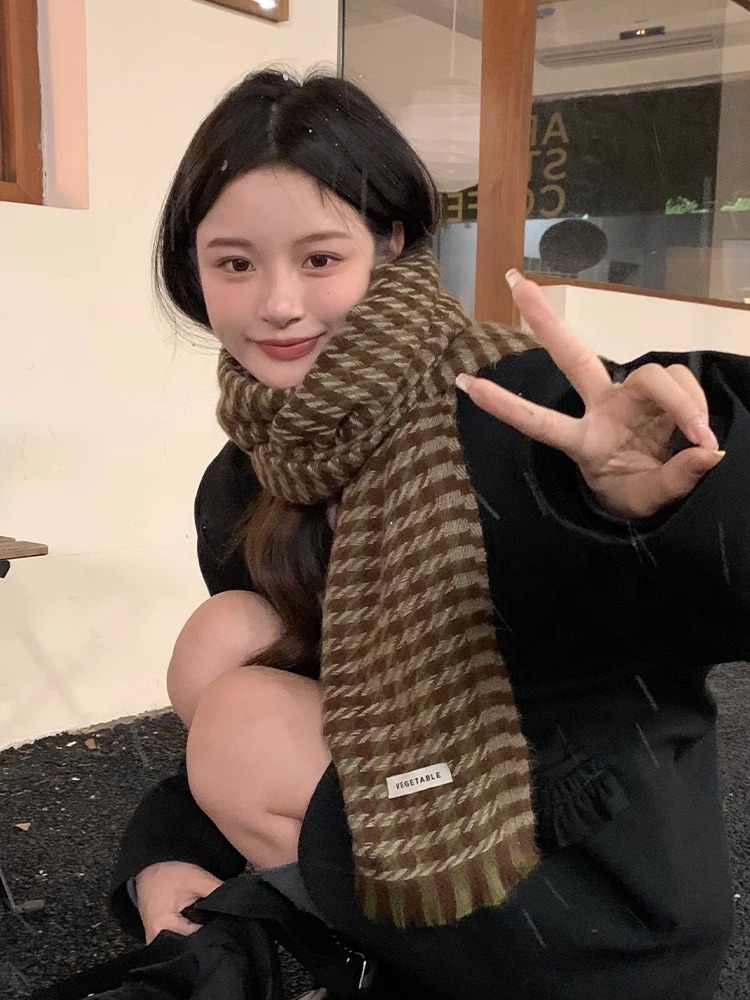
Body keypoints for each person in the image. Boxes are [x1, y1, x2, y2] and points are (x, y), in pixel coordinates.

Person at [109, 67, 750, 1000]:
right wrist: (167, 855)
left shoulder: (520, 405)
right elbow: (323, 695)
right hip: (421, 812)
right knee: (230, 637)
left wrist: (648, 505)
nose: (277, 303)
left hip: (589, 877)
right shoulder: (251, 474)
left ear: (393, 242)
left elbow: (722, 587)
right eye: (235, 263)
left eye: (319, 259)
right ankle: (391, 945)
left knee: (241, 719)